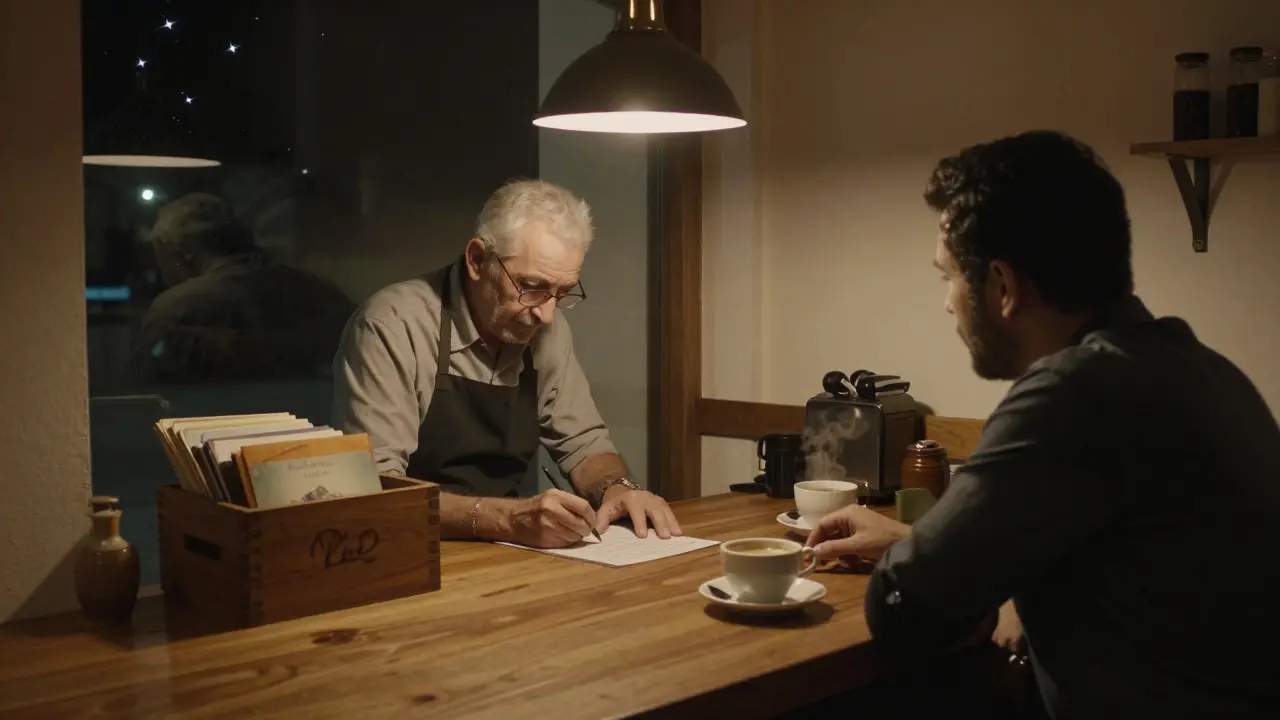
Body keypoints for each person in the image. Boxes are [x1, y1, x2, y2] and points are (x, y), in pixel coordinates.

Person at [806, 131, 1280, 719]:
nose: (947, 302)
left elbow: (904, 607)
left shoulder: (1072, 393)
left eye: (947, 277)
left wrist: (942, 570)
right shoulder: (1202, 370)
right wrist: (914, 542)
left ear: (1002, 287)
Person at [331, 179, 679, 548]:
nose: (547, 315)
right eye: (532, 286)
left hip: (504, 548)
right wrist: (505, 519)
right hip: (406, 548)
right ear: (477, 260)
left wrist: (618, 490)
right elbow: (377, 490)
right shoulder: (392, 325)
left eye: (562, 293)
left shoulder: (545, 327)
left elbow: (583, 442)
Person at [134, 192, 356, 383]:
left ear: (185, 250)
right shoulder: (319, 291)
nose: (160, 266)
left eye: (160, 253)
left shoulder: (174, 309)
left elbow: (144, 394)